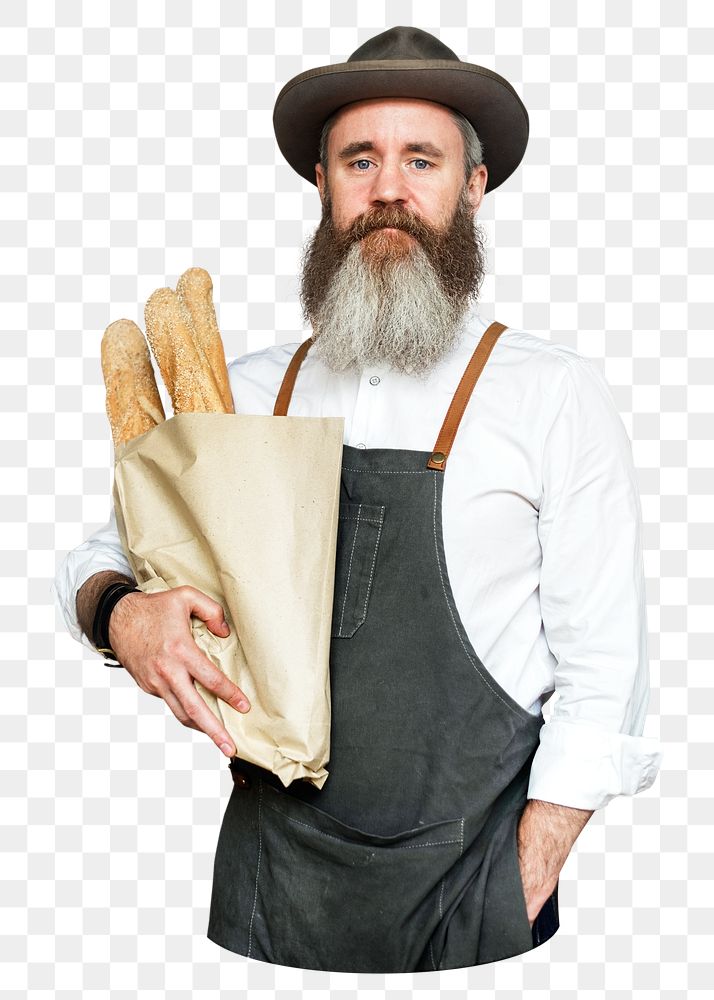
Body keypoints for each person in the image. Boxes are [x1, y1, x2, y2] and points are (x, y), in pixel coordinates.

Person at [53, 26, 662, 972]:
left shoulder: (552, 397)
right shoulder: (247, 393)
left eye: (422, 159)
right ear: (324, 188)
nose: (389, 188)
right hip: (266, 894)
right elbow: (100, 554)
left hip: (476, 900)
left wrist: (525, 876)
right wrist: (124, 618)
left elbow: (607, 675)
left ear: (473, 186)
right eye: (359, 160)